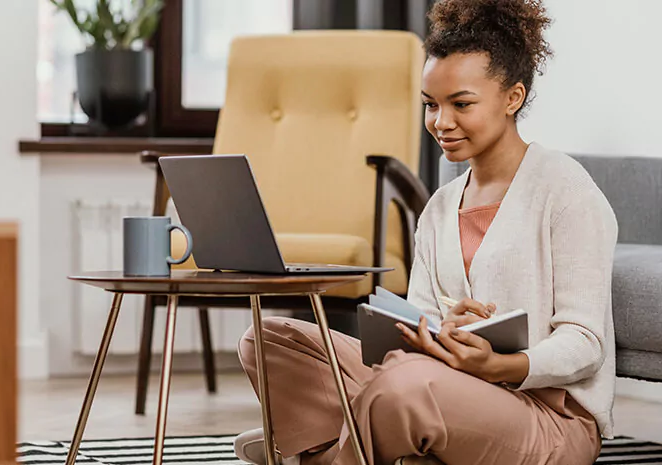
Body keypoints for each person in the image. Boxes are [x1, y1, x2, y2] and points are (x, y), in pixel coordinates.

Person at [234, 0, 618, 463]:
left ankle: (324, 451)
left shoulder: (567, 190)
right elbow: (414, 324)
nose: (441, 122)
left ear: (512, 98)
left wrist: (502, 366)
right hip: (449, 389)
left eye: (461, 104)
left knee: (404, 386)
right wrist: (440, 329)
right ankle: (363, 437)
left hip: (548, 419)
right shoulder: (439, 208)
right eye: (430, 105)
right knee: (267, 339)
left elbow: (585, 343)